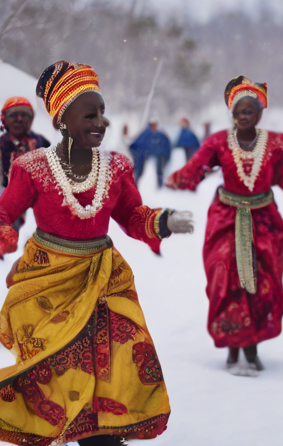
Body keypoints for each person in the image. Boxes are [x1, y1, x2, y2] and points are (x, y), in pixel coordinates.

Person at [0, 61, 193, 446]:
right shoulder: (32, 167)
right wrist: (5, 235)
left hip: (105, 278)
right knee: (62, 365)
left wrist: (162, 221)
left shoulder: (117, 166)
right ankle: (73, 425)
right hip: (48, 283)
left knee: (122, 355)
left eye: (103, 113)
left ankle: (105, 431)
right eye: (91, 114)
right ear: (61, 119)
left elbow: (132, 216)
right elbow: (4, 212)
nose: (102, 122)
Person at [166, 76, 283, 376]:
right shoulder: (218, 141)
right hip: (225, 218)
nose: (243, 116)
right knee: (224, 277)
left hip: (264, 220)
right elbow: (197, 167)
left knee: (261, 283)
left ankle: (252, 348)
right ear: (232, 114)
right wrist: (178, 179)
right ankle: (232, 344)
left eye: (249, 111)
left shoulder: (274, 143)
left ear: (259, 113)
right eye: (238, 112)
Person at [0, 97, 51, 231]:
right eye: (13, 115)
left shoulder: (43, 145)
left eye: (24, 115)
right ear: (4, 120)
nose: (19, 119)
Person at [129, 118, 171, 188]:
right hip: (141, 154)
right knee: (139, 171)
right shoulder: (146, 133)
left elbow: (166, 145)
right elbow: (138, 144)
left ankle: (160, 185)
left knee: (159, 170)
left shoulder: (160, 134)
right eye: (153, 125)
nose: (155, 126)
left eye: (156, 125)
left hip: (157, 155)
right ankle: (134, 185)